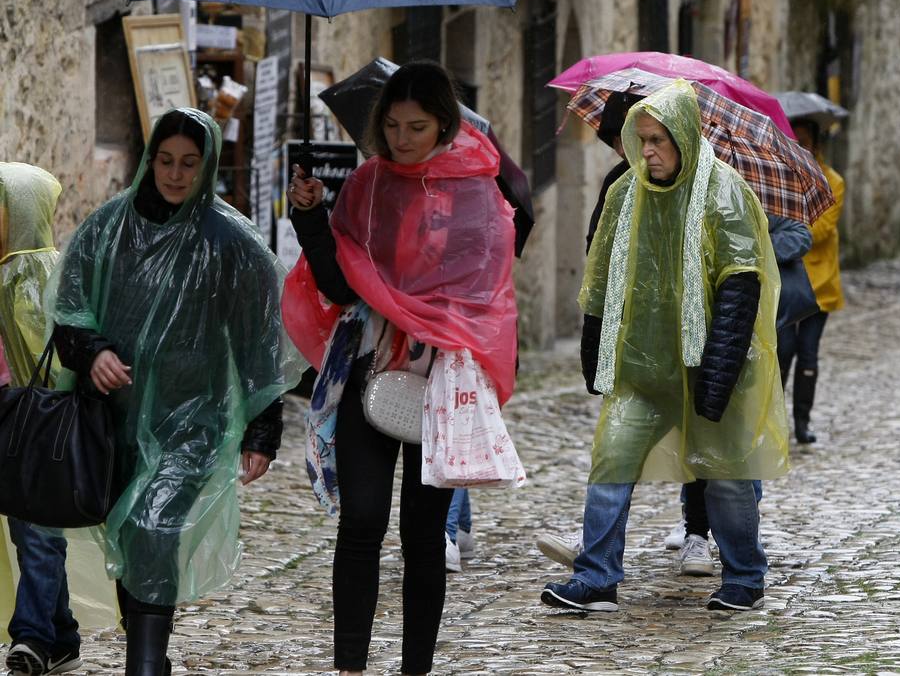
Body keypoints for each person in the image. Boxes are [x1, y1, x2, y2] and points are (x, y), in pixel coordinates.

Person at [283, 61, 520, 675]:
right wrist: (310, 218)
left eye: (417, 126)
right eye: (391, 125)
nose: (402, 138)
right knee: (361, 520)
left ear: (444, 124)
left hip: (442, 376)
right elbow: (338, 282)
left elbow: (487, 286)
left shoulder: (477, 191)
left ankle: (417, 667)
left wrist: (430, 307)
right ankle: (350, 667)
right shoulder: (366, 186)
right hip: (371, 366)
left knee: (423, 535)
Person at [49, 109, 298, 676]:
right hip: (110, 420)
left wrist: (263, 426)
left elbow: (260, 339)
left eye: (190, 163)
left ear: (207, 166)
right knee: (126, 537)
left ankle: (144, 664)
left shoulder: (231, 242)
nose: (176, 174)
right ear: (149, 160)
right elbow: (68, 315)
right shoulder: (107, 228)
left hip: (192, 420)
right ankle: (149, 655)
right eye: (165, 161)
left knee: (153, 526)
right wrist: (94, 354)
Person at [540, 80, 789, 613]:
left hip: (709, 367)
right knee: (611, 461)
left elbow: (739, 285)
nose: (647, 150)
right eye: (641, 139)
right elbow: (602, 278)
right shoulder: (624, 194)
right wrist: (595, 351)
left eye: (657, 139)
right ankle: (597, 576)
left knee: (724, 475)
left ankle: (745, 574)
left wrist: (719, 374)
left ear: (682, 135)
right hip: (641, 367)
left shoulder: (724, 192)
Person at [0, 163, 82, 676]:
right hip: (6, 421)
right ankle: (63, 634)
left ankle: (30, 639)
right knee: (24, 529)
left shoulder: (39, 278)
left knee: (38, 532)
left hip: (38, 420)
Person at [780, 119, 846, 443]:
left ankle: (802, 421)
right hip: (784, 280)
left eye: (804, 141)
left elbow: (820, 231)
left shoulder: (832, 182)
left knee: (807, 351)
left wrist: (790, 226)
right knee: (781, 349)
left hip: (818, 284)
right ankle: (773, 419)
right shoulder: (779, 178)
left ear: (816, 145)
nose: (799, 147)